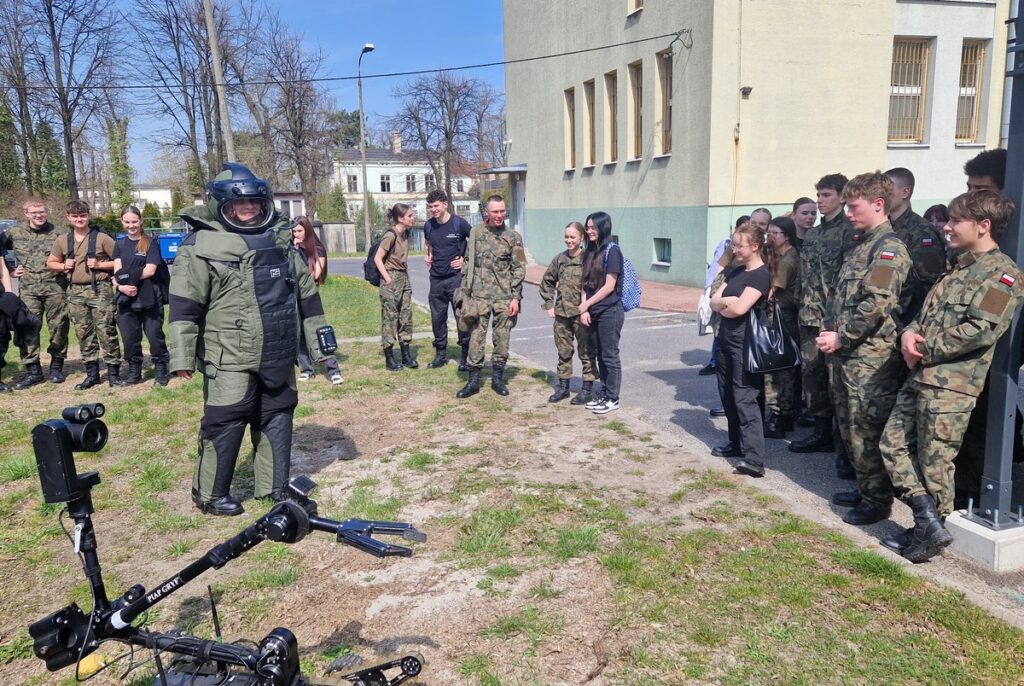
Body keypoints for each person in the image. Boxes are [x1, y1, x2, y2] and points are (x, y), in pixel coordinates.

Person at [169, 163, 330, 516]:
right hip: (228, 355)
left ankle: (272, 487)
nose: (248, 208)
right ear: (221, 205)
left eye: (254, 202)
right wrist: (181, 357)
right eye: (240, 203)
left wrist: (322, 347)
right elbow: (184, 306)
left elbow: (307, 297)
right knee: (225, 419)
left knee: (278, 414)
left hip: (278, 349)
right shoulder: (199, 246)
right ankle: (210, 494)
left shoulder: (280, 241)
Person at [879, 190, 1023, 562]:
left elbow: (981, 329)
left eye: (956, 220)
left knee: (935, 461)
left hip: (951, 387)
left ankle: (929, 531)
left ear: (983, 225)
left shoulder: (1004, 275)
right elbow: (925, 315)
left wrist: (922, 348)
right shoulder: (957, 266)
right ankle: (928, 521)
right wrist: (909, 334)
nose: (947, 226)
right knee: (891, 444)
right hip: (921, 375)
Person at [816, 171, 912, 526]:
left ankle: (877, 501)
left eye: (854, 206)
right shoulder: (862, 244)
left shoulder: (888, 250)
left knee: (866, 428)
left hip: (869, 359)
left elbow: (877, 303)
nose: (849, 213)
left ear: (878, 204)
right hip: (848, 355)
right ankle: (865, 487)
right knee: (850, 426)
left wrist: (842, 337)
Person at [791, 173, 853, 455]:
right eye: (818, 195)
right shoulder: (813, 234)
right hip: (808, 314)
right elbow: (803, 274)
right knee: (812, 375)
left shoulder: (849, 232)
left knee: (835, 380)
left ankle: (842, 441)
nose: (819, 201)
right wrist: (798, 301)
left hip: (833, 319)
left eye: (826, 195)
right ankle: (821, 432)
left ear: (842, 197)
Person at [709, 221, 772, 477]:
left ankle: (754, 459)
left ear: (755, 246)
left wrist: (726, 306)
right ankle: (735, 443)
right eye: (733, 244)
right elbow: (714, 301)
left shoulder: (761, 275)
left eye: (739, 245)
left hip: (745, 345)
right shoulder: (736, 271)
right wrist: (726, 301)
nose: (734, 249)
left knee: (745, 398)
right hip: (726, 340)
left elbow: (740, 309)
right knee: (727, 395)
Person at [47, 199, 124, 389]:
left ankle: (113, 374)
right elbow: (51, 263)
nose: (79, 219)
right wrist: (63, 266)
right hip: (75, 292)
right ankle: (92, 374)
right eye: (75, 216)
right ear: (68, 217)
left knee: (106, 331)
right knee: (83, 333)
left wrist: (100, 264)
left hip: (100, 290)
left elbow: (120, 260)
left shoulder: (102, 238)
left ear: (88, 216)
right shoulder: (63, 240)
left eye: (82, 215)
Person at [456, 195, 525, 398]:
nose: (499, 215)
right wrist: (465, 293)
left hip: (504, 297)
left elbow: (520, 267)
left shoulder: (514, 237)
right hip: (479, 297)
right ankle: (473, 382)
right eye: (495, 211)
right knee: (476, 338)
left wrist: (516, 298)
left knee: (502, 339)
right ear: (487, 212)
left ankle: (497, 379)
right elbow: (468, 264)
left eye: (502, 211)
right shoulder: (475, 233)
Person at [7, 199, 70, 387]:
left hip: (56, 288)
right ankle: (33, 371)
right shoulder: (14, 233)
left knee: (59, 327)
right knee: (27, 328)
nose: (39, 216)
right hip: (29, 290)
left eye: (41, 212)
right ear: (26, 213)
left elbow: (74, 255)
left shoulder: (60, 233)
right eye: (34, 213)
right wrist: (10, 270)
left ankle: (56, 367)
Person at [539, 221, 597, 403]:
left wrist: (588, 308)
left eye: (573, 237)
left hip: (582, 315)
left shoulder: (588, 258)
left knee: (586, 352)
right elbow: (547, 282)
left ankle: (587, 390)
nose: (569, 240)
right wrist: (549, 304)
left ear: (581, 237)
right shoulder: (560, 259)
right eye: (566, 237)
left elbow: (595, 286)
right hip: (562, 315)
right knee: (563, 351)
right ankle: (563, 388)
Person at [112, 206, 170, 386]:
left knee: (154, 335)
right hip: (125, 296)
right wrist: (121, 287)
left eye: (134, 222)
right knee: (129, 337)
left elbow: (150, 270)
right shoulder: (119, 245)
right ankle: (134, 372)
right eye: (127, 222)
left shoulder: (151, 243)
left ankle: (161, 369)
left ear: (141, 221)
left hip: (149, 295)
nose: (131, 225)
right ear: (122, 222)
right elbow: (116, 274)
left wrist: (127, 278)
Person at [885, 167, 947, 324]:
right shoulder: (884, 227)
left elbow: (928, 284)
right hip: (886, 313)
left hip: (906, 320)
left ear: (904, 193)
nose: (882, 196)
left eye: (887, 191)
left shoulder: (922, 231)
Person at [579, 212, 626, 415]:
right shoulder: (589, 251)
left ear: (603, 228)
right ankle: (604, 393)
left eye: (593, 227)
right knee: (599, 354)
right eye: (588, 227)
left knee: (609, 355)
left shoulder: (612, 251)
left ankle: (612, 398)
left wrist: (586, 305)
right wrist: (585, 307)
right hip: (594, 311)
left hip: (610, 311)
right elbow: (584, 283)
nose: (589, 231)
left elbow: (609, 286)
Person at [423, 190, 472, 370]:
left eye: (436, 206)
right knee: (437, 319)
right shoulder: (428, 225)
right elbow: (428, 243)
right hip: (436, 279)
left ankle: (465, 358)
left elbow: (476, 243)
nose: (433, 210)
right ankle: (440, 355)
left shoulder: (459, 224)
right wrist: (428, 255)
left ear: (445, 204)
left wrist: (465, 260)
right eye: (430, 207)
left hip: (455, 279)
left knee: (462, 318)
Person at [291, 216, 343, 384]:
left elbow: (315, 274)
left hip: (310, 297)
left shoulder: (317, 249)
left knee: (319, 331)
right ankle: (306, 368)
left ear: (307, 230)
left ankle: (333, 370)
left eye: (299, 231)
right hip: (294, 296)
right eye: (294, 231)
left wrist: (297, 253)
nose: (296, 234)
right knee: (299, 334)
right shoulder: (290, 250)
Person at [763, 217, 801, 439]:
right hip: (782, 315)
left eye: (774, 233)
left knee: (778, 368)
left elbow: (771, 291)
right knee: (782, 366)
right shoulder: (781, 255)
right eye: (768, 233)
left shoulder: (788, 260)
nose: (769, 237)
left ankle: (780, 415)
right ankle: (784, 412)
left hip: (781, 317)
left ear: (786, 236)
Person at [375, 204, 417, 371]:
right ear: (400, 218)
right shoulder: (390, 235)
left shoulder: (406, 233)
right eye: (410, 216)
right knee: (390, 318)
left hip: (403, 277)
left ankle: (406, 355)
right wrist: (387, 278)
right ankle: (390, 358)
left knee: (406, 316)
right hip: (391, 278)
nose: (413, 218)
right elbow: (377, 258)